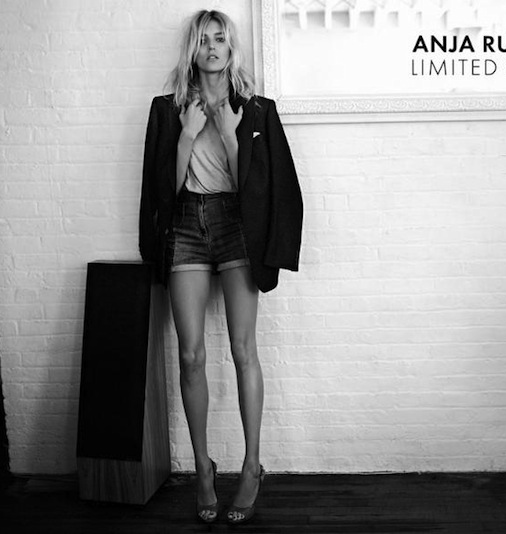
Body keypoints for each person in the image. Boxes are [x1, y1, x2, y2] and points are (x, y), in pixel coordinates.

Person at [138, 9, 303, 525]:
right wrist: (186, 136)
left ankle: (252, 467)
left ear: (231, 48)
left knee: (242, 349)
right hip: (187, 224)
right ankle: (204, 469)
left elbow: (261, 190)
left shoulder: (256, 110)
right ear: (192, 49)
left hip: (237, 226)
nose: (212, 47)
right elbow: (160, 192)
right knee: (190, 355)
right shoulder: (167, 110)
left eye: (220, 39)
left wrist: (231, 136)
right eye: (203, 40)